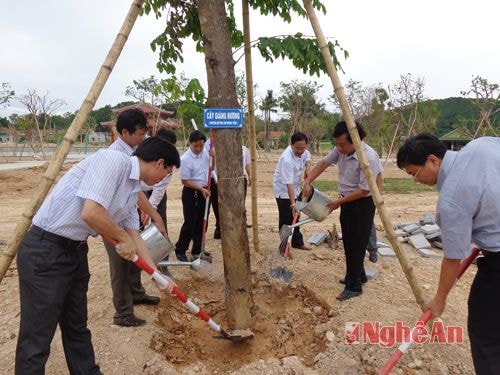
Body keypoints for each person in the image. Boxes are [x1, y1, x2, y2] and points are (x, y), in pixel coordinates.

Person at [15, 136, 180, 374]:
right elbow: (91, 213)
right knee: (37, 335)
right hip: (46, 251)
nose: (164, 178)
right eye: (167, 172)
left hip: (75, 251)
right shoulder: (112, 161)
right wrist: (120, 237)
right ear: (159, 163)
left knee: (76, 326)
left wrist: (157, 276)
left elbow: (134, 235)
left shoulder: (133, 190)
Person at [396, 134, 500, 375]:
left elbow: (454, 256)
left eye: (414, 173)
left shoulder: (452, 197)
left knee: (486, 334)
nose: (416, 180)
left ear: (433, 160)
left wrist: (439, 299)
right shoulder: (481, 144)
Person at [302, 121, 383, 301]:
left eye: (342, 144)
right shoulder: (341, 150)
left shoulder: (368, 157)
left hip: (363, 203)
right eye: (336, 144)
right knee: (349, 240)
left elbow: (364, 190)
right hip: (347, 200)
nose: (338, 148)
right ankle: (358, 274)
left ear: (356, 140)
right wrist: (307, 181)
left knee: (356, 243)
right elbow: (323, 163)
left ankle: (354, 286)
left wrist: (337, 202)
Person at [103, 109, 166, 328]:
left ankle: (137, 293)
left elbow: (134, 191)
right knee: (120, 263)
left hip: (124, 214)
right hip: (109, 221)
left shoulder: (133, 152)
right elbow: (133, 192)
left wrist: (153, 214)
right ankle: (122, 312)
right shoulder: (117, 157)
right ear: (124, 132)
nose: (142, 139)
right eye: (139, 134)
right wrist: (153, 214)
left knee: (134, 258)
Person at [175, 130, 211, 262]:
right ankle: (180, 249)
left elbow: (211, 168)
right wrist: (200, 188)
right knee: (190, 222)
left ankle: (197, 250)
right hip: (192, 192)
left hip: (205, 192)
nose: (199, 149)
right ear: (190, 144)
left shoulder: (205, 154)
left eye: (201, 146)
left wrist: (214, 157)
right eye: (196, 146)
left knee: (202, 223)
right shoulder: (185, 159)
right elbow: (185, 180)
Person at [273, 132, 313, 252]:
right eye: (297, 148)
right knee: (286, 219)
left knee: (296, 216)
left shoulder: (304, 151)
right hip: (284, 190)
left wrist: (308, 170)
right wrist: (293, 204)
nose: (301, 151)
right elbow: (288, 184)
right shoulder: (286, 159)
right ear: (291, 145)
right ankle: (283, 247)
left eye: (303, 148)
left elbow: (308, 158)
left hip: (295, 188)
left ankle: (297, 242)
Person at [140, 127, 178, 233]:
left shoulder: (168, 166)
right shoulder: (143, 148)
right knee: (138, 221)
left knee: (158, 219)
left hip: (155, 193)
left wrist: (150, 210)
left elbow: (158, 190)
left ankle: (161, 241)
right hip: (138, 190)